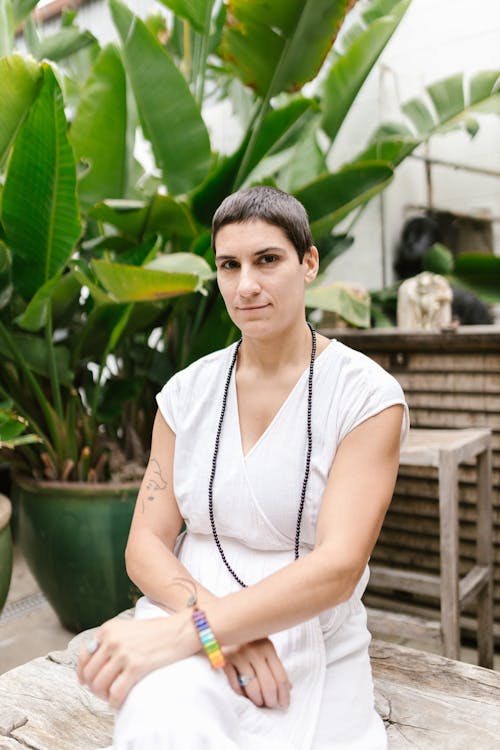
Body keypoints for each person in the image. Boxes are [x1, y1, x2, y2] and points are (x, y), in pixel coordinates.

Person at [78, 186, 409, 749]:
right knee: (164, 723)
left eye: (267, 260)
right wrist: (215, 631)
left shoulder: (366, 396)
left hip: (312, 629)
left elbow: (339, 566)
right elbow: (145, 546)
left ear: (309, 263)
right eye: (229, 266)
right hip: (193, 608)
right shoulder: (186, 394)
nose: (246, 285)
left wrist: (193, 633)